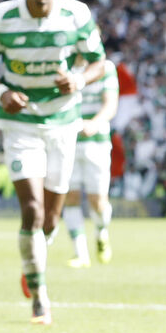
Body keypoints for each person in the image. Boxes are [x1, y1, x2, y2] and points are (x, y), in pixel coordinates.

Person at [0, 0, 106, 324]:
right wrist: (1, 92)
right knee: (31, 210)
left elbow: (99, 61)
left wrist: (78, 79)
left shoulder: (76, 15)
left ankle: (32, 261)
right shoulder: (1, 17)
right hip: (19, 123)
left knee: (50, 220)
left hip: (63, 121)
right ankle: (40, 297)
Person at [63, 58, 119, 268]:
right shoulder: (65, 65)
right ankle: (80, 254)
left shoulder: (105, 67)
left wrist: (95, 123)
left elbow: (110, 104)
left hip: (97, 143)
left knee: (98, 201)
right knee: (71, 196)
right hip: (68, 141)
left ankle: (101, 231)